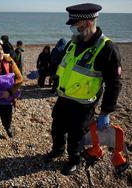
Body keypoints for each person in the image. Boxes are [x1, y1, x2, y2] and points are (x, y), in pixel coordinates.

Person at [44, 3, 122, 176]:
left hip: (83, 105)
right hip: (64, 98)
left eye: (76, 27)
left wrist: (106, 112)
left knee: (76, 135)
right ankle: (57, 150)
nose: (74, 31)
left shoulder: (107, 49)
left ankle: (74, 160)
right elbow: (61, 65)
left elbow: (114, 84)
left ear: (88, 24)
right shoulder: (74, 43)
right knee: (57, 127)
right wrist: (45, 72)